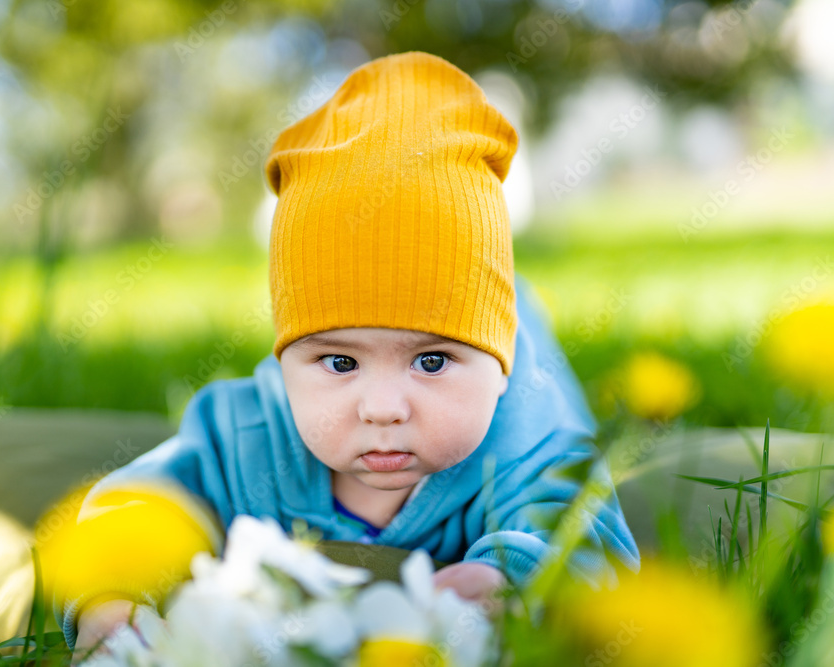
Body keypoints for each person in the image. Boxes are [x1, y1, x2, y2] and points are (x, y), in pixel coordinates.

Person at [55, 50, 640, 659]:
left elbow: (583, 529)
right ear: (284, 363)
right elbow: (135, 507)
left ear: (497, 369)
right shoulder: (245, 433)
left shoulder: (524, 435)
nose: (383, 408)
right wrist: (111, 599)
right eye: (339, 362)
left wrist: (510, 578)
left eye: (432, 360)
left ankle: (518, 315)